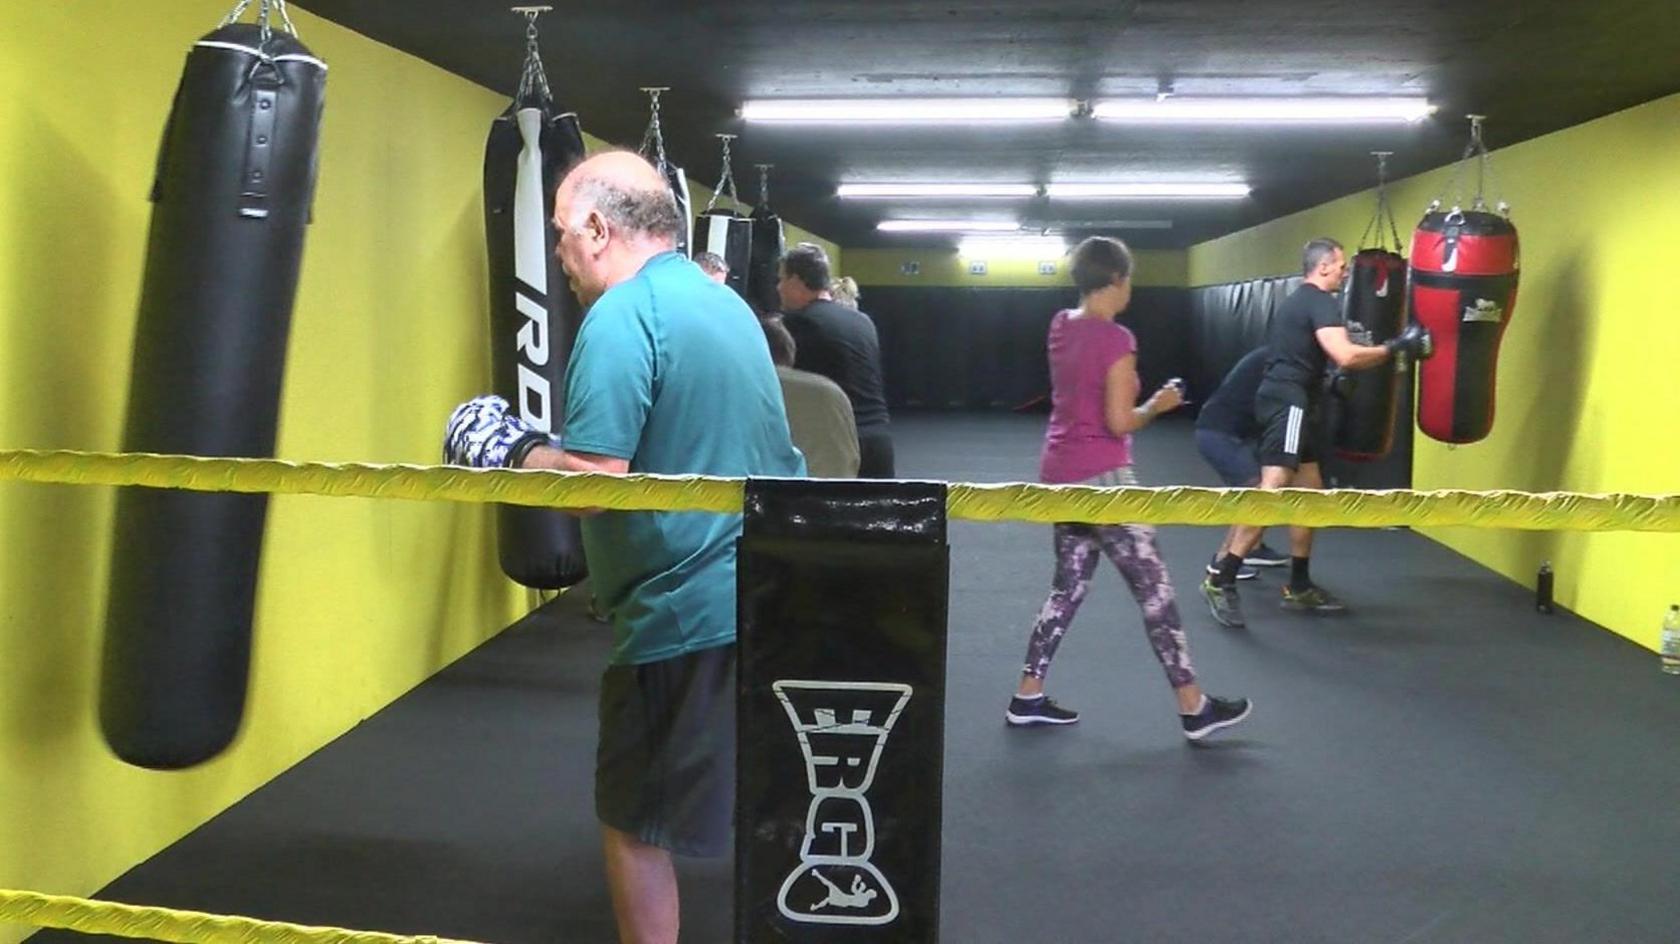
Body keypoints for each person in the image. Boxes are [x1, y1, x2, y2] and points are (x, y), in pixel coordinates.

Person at [442, 151, 804, 944]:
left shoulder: (620, 315)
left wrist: (511, 451)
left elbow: (598, 482)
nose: (562, 253)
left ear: (599, 228)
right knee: (761, 796)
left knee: (635, 822)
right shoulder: (725, 304)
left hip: (682, 608)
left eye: (564, 233)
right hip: (770, 589)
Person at [1005, 235, 1252, 742]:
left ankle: (1028, 693)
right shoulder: (1116, 339)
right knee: (1156, 592)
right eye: (1128, 279)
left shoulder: (1059, 325)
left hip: (1060, 475)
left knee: (1067, 587)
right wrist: (1157, 406)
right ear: (1116, 280)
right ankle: (1193, 706)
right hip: (1107, 482)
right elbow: (1120, 421)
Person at [1200, 237, 1430, 629]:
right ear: (1322, 267)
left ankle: (1299, 583)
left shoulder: (1301, 302)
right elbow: (1346, 354)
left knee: (1310, 492)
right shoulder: (1318, 300)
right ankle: (1221, 578)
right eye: (1340, 265)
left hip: (1298, 401)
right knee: (1272, 491)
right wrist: (1397, 347)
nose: (1344, 271)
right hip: (1288, 403)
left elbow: (1310, 356)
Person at [777, 243, 896, 477]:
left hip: (839, 445)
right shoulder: (862, 321)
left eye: (781, 279)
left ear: (797, 279)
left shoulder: (798, 324)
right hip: (879, 441)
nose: (778, 287)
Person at [1193, 346, 1296, 582]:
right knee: (1257, 492)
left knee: (1267, 486)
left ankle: (1253, 547)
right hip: (1217, 435)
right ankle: (1222, 560)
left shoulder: (1276, 357)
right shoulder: (1277, 361)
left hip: (1233, 433)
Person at [761, 315, 861, 477]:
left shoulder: (751, 387)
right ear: (790, 351)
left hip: (774, 495)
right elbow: (851, 455)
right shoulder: (830, 390)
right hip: (833, 492)